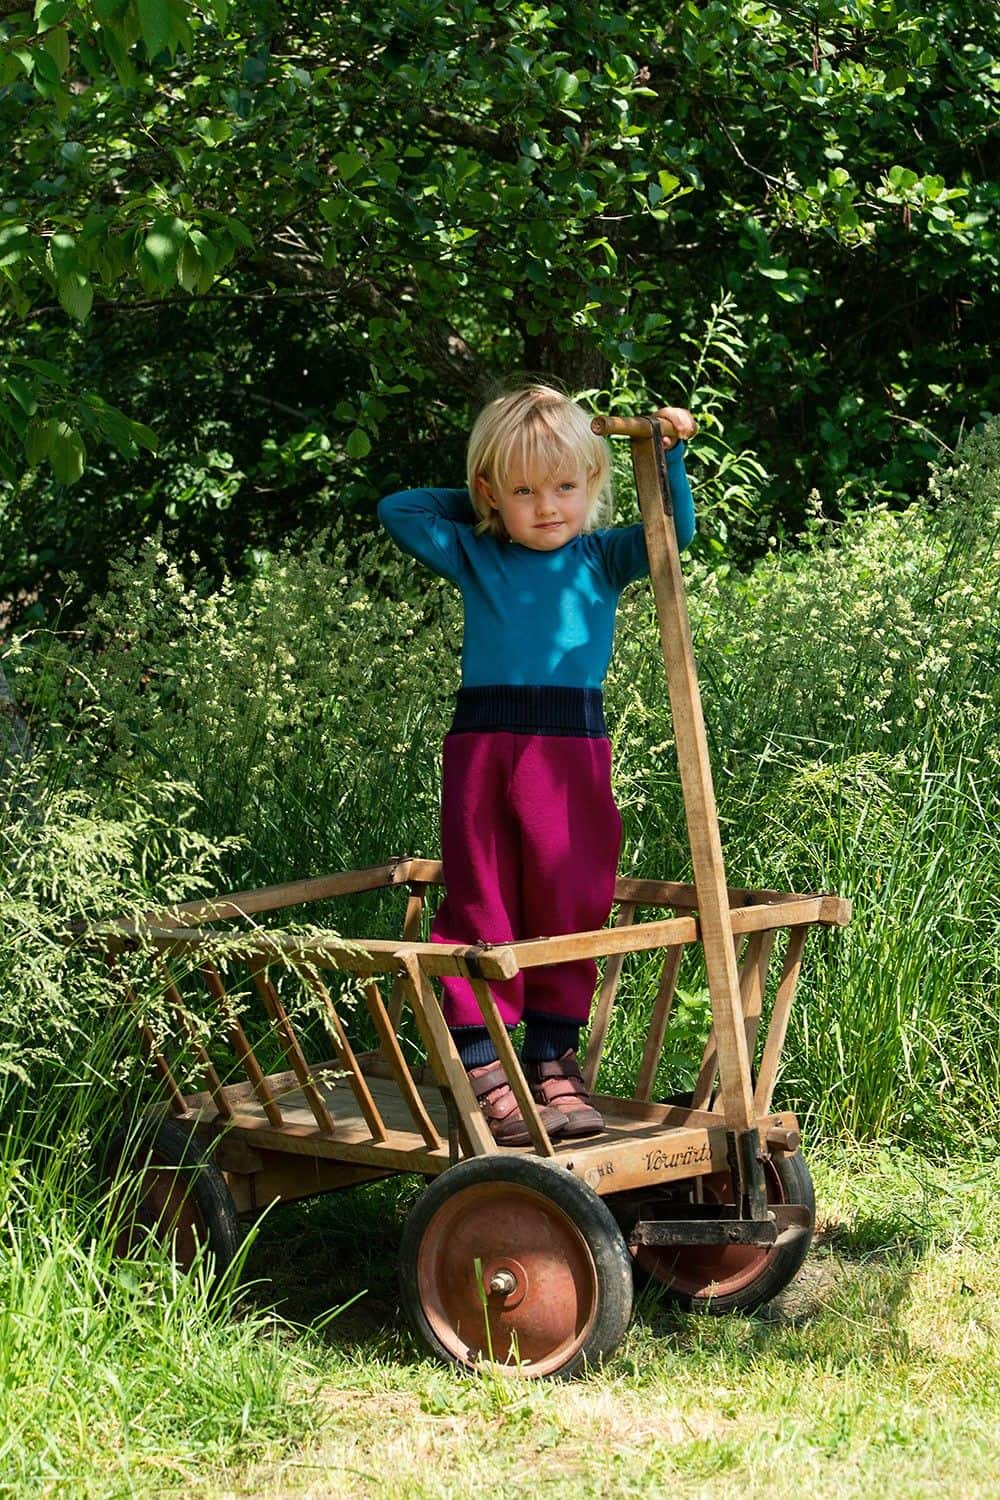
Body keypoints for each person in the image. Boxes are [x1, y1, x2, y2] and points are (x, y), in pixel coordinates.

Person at [378, 381, 696, 1145]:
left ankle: (553, 1061)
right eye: (523, 491)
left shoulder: (602, 555)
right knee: (481, 894)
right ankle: (483, 1060)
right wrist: (487, 499)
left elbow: (671, 530)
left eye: (564, 485)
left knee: (570, 894)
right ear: (491, 494)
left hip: (571, 751)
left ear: (593, 487)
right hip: (484, 748)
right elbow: (401, 509)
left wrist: (668, 454)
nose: (547, 505)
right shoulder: (477, 550)